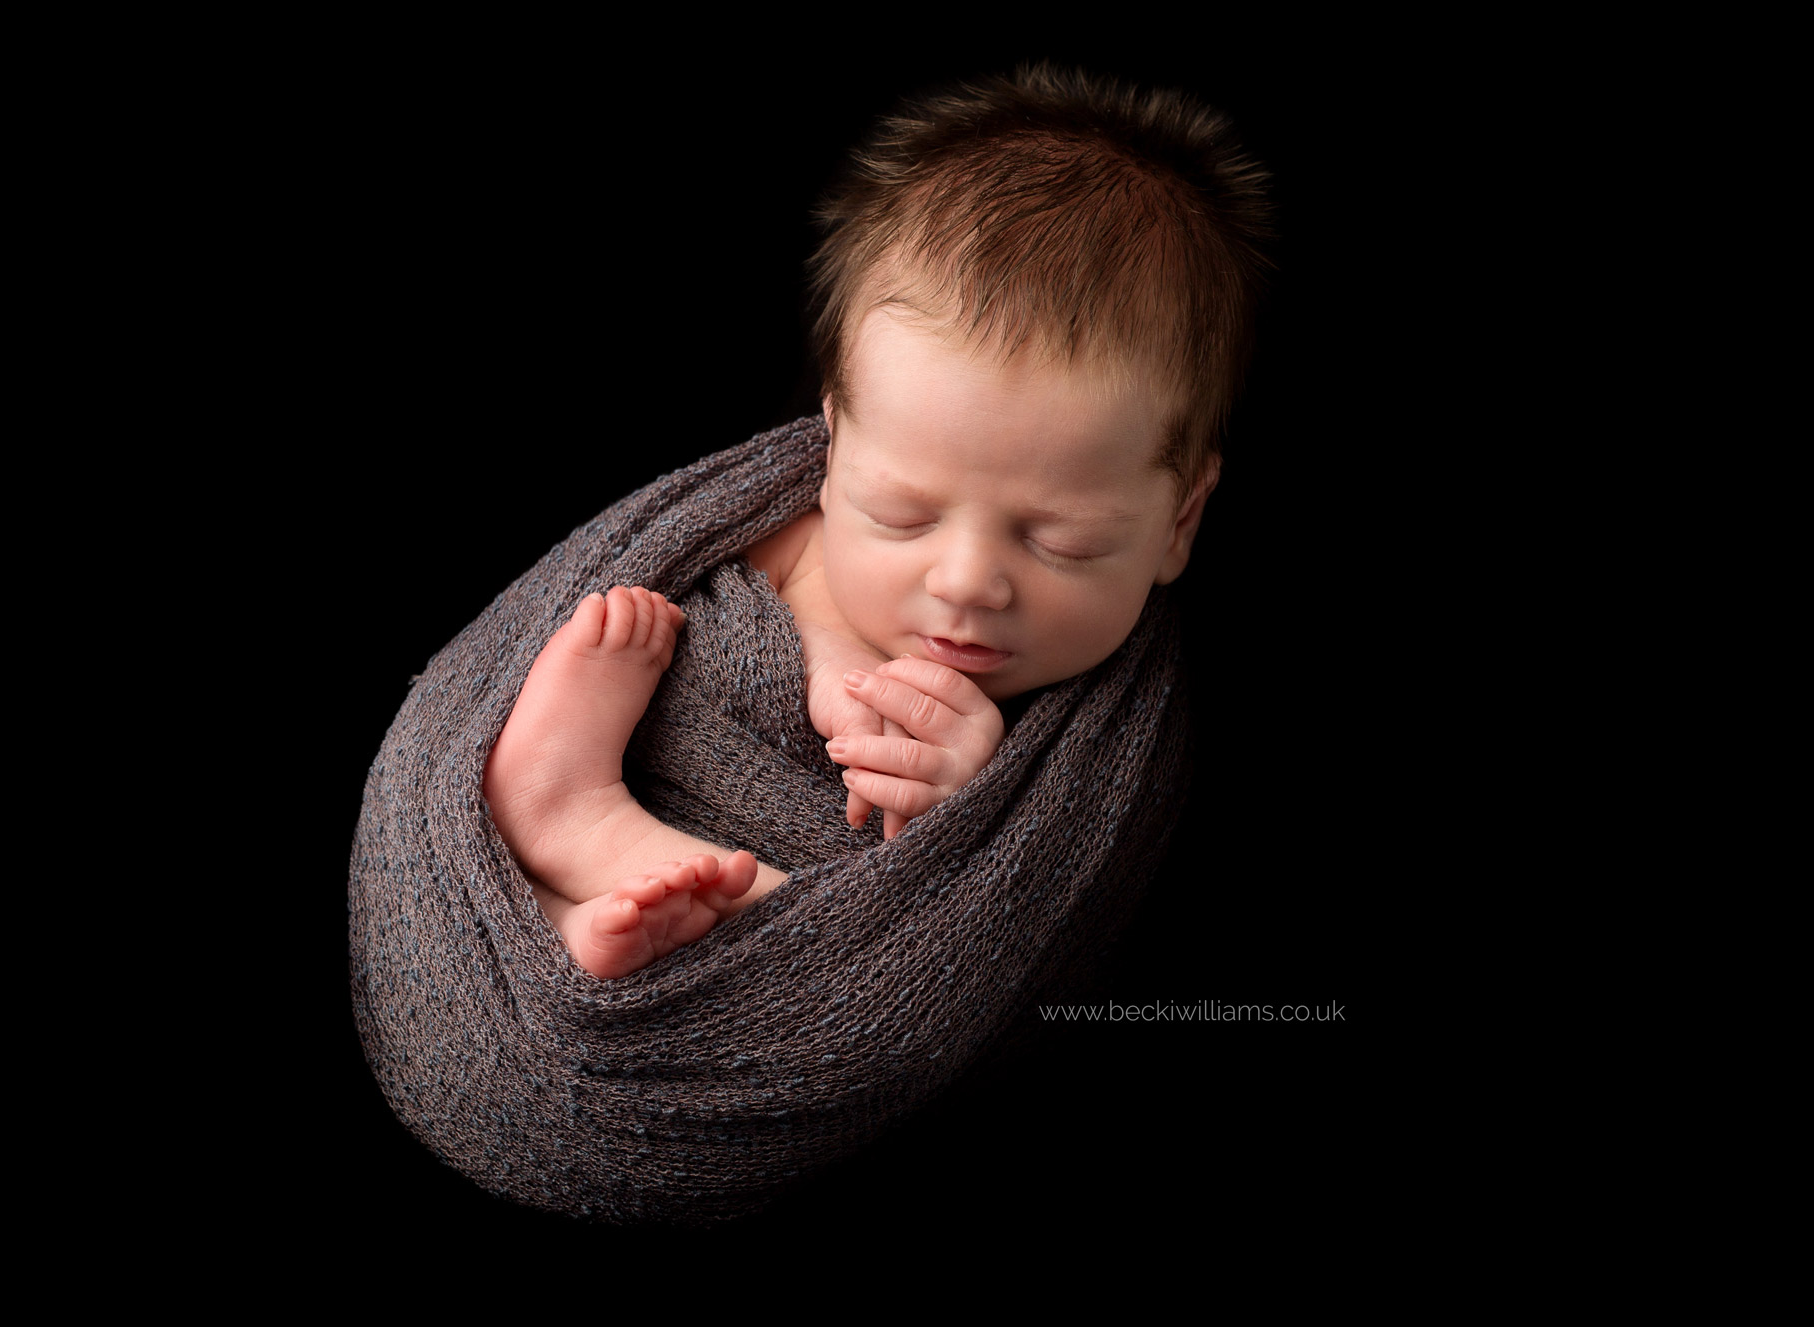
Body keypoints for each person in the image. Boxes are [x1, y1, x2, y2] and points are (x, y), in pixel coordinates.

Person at [482, 65, 1270, 977]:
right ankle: (559, 809)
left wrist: (959, 796)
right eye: (900, 515)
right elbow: (735, 574)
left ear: (1180, 521)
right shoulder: (789, 528)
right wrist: (826, 654)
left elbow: (978, 900)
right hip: (623, 768)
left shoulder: (1115, 747)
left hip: (764, 923)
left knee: (843, 954)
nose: (966, 580)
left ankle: (580, 927)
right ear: (832, 449)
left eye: (1062, 541)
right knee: (624, 646)